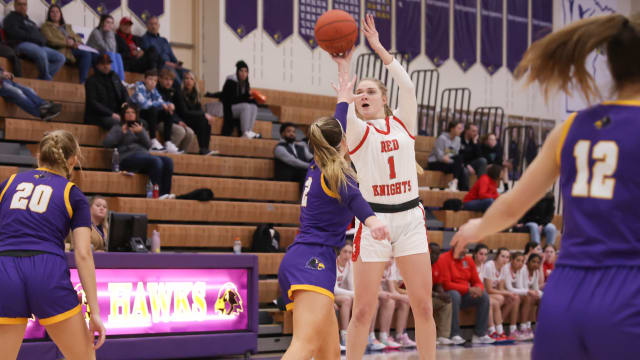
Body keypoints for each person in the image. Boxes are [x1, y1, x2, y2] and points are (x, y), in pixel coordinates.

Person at [335, 15, 436, 360]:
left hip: (410, 220)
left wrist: (379, 49)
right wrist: (345, 71)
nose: (363, 95)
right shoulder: (359, 132)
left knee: (423, 306)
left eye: (370, 91)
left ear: (383, 97)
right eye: (360, 92)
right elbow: (343, 109)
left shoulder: (403, 123)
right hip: (373, 221)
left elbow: (408, 87)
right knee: (363, 310)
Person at [277, 74, 390, 360]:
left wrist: (343, 99)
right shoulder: (338, 174)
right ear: (342, 141)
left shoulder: (319, 163)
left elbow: (334, 128)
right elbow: (356, 200)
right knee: (304, 347)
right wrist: (375, 222)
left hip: (308, 259)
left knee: (329, 354)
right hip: (311, 262)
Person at [0, 130, 106, 359]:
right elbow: (83, 254)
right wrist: (94, 312)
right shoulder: (73, 194)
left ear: (39, 156)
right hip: (46, 270)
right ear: (73, 161)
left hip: (5, 268)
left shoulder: (8, 184)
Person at [103, 103, 174, 199]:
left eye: (132, 112)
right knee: (156, 161)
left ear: (136, 114)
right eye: (127, 112)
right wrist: (121, 132)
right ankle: (156, 194)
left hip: (143, 156)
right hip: (127, 158)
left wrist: (141, 132)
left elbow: (149, 145)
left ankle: (165, 194)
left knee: (168, 161)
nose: (130, 114)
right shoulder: (118, 127)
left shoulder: (140, 127)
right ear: (123, 115)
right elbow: (106, 143)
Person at [437, 247, 494, 344]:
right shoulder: (444, 258)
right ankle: (454, 334)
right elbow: (446, 284)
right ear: (455, 248)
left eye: (465, 250)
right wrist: (469, 289)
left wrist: (478, 289)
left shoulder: (467, 259)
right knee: (454, 295)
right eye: (461, 249)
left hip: (465, 294)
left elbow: (476, 281)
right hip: (448, 293)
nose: (464, 252)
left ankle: (479, 334)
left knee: (484, 296)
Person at [3, 0, 65, 80]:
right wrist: (32, 37)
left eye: (24, 4)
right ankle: (46, 78)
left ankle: (42, 78)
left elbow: (40, 37)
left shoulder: (31, 22)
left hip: (37, 45)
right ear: (14, 5)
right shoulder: (10, 18)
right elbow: (16, 34)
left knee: (60, 57)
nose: (22, 6)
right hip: (20, 44)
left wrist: (41, 40)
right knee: (41, 53)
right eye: (19, 4)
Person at [41, 4, 97, 83]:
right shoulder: (46, 26)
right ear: (49, 14)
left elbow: (78, 37)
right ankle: (83, 82)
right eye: (52, 12)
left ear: (60, 14)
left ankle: (97, 83)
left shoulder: (67, 27)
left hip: (74, 48)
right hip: (63, 50)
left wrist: (75, 41)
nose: (55, 14)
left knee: (96, 56)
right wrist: (67, 43)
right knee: (86, 54)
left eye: (57, 12)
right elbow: (51, 40)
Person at [131, 69, 180, 153]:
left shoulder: (154, 90)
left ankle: (168, 142)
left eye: (155, 80)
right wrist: (160, 104)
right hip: (138, 113)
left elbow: (161, 101)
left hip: (150, 115)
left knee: (168, 111)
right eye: (150, 79)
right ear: (145, 79)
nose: (152, 82)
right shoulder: (139, 86)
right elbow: (144, 104)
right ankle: (153, 140)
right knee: (153, 109)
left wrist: (169, 105)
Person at [482, 247, 524, 341]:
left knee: (514, 298)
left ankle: (502, 330)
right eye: (503, 256)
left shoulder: (504, 268)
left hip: (494, 293)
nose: (505, 259)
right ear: (497, 256)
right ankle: (492, 330)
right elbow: (488, 289)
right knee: (500, 298)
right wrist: (507, 293)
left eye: (507, 257)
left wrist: (510, 294)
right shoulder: (489, 266)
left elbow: (500, 288)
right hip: (485, 293)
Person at [84, 54, 131, 130]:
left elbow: (124, 92)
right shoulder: (91, 81)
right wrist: (111, 114)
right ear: (97, 65)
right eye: (103, 64)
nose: (106, 66)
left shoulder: (115, 77)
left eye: (108, 63)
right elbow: (93, 102)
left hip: (116, 114)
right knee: (116, 123)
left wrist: (126, 104)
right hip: (98, 116)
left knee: (139, 123)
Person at [155, 68, 196, 153]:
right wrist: (176, 121)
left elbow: (176, 111)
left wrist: (179, 121)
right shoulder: (156, 91)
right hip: (160, 121)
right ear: (160, 79)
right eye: (166, 79)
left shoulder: (172, 92)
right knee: (180, 131)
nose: (169, 82)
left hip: (172, 121)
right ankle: (168, 153)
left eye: (171, 80)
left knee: (190, 133)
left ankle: (181, 156)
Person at [179, 71, 219, 155]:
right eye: (186, 78)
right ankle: (203, 149)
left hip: (192, 121)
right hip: (182, 120)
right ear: (183, 81)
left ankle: (205, 149)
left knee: (206, 121)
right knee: (202, 118)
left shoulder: (195, 94)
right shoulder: (179, 93)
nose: (188, 81)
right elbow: (184, 112)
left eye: (191, 79)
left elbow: (199, 110)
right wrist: (204, 114)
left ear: (194, 82)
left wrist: (205, 115)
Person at [221, 60, 260, 138]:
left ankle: (249, 131)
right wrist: (247, 97)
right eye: (241, 71)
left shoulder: (246, 83)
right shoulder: (231, 82)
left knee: (254, 107)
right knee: (246, 106)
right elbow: (232, 100)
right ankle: (245, 132)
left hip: (238, 108)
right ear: (237, 72)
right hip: (228, 108)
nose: (243, 73)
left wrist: (252, 99)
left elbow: (244, 98)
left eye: (246, 71)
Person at [500, 252, 535, 340]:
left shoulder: (521, 268)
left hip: (511, 293)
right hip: (503, 291)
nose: (520, 263)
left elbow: (520, 287)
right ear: (512, 260)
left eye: (522, 261)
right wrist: (527, 291)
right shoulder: (506, 268)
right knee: (517, 298)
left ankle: (523, 327)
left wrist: (528, 292)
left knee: (528, 298)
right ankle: (512, 330)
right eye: (518, 260)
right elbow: (509, 288)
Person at [141, 16, 186, 82]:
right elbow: (152, 58)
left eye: (155, 24)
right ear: (147, 26)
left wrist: (177, 64)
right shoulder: (144, 39)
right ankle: (181, 91)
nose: (153, 26)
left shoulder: (164, 40)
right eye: (151, 24)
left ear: (158, 26)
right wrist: (168, 64)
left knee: (188, 74)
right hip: (160, 66)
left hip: (171, 66)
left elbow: (172, 56)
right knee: (173, 74)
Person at [428, 121, 469, 191]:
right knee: (459, 166)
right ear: (452, 129)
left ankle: (460, 187)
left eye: (461, 128)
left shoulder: (458, 139)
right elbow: (440, 157)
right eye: (459, 128)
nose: (461, 131)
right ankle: (461, 188)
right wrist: (452, 160)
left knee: (460, 166)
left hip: (449, 162)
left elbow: (455, 154)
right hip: (435, 163)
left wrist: (451, 159)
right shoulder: (442, 138)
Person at [274, 122, 313, 192]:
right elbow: (293, 161)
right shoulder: (279, 148)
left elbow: (310, 157)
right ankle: (304, 200)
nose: (292, 134)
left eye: (293, 132)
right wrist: (310, 166)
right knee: (306, 174)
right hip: (286, 176)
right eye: (289, 131)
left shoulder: (300, 147)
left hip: (299, 175)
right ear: (282, 133)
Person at [428, 243, 455, 345]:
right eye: (433, 253)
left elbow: (438, 285)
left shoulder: (438, 264)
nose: (436, 256)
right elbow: (419, 290)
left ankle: (442, 336)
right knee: (427, 304)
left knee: (447, 302)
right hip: (415, 296)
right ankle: (429, 337)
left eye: (438, 254)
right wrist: (438, 295)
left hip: (431, 296)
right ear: (428, 252)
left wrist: (443, 294)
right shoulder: (420, 265)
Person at [87, 14, 125, 81]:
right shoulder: (96, 32)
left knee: (118, 56)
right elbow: (105, 48)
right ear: (102, 23)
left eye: (112, 23)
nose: (110, 25)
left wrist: (109, 33)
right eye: (107, 22)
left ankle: (121, 81)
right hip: (93, 55)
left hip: (102, 54)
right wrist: (108, 34)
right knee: (109, 54)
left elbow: (113, 49)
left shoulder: (110, 33)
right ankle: (114, 79)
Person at [334, 241, 355, 352]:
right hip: (327, 294)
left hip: (337, 296)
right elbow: (335, 289)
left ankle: (365, 336)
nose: (347, 255)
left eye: (350, 252)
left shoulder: (350, 264)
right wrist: (356, 294)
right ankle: (344, 336)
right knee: (347, 299)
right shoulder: (333, 263)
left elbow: (352, 286)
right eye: (345, 252)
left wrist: (357, 295)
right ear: (339, 252)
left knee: (360, 300)